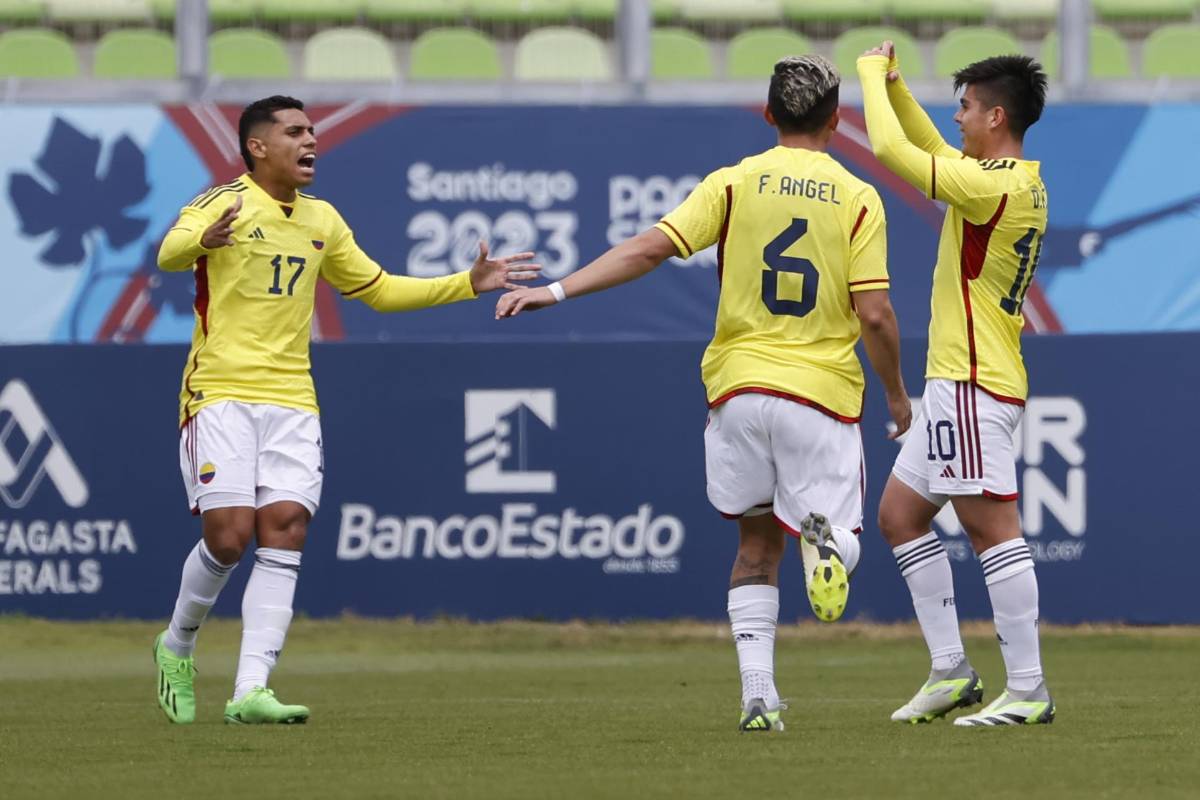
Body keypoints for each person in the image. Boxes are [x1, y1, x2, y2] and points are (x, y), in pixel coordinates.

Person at [496, 57, 910, 733]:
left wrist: (555, 289)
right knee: (836, 532)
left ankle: (757, 697)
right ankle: (826, 545)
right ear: (838, 119)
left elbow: (648, 249)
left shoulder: (734, 183)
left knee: (754, 547)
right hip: (819, 394)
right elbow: (875, 315)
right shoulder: (859, 196)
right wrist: (895, 394)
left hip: (739, 390)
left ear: (769, 114)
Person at [153, 95, 538, 725]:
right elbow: (169, 252)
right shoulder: (221, 200)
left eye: (312, 131)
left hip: (293, 397)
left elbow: (379, 290)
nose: (310, 141)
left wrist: (464, 284)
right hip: (219, 389)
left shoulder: (321, 219)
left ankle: (250, 690)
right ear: (257, 146)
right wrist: (204, 235)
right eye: (294, 132)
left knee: (285, 526)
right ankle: (177, 644)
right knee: (228, 538)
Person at [857, 45, 1054, 726]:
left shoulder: (987, 186)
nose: (958, 116)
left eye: (966, 106)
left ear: (996, 116)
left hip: (972, 382)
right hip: (958, 382)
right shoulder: (1011, 178)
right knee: (900, 517)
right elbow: (928, 141)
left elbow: (887, 144)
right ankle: (951, 672)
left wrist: (863, 74)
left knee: (990, 529)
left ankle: (1027, 688)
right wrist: (897, 83)